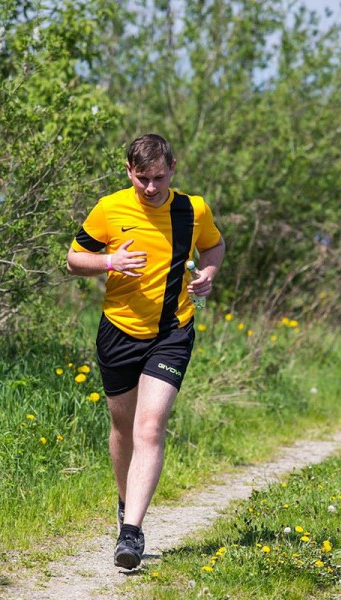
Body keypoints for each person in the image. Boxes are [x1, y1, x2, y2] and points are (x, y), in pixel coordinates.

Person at [66, 134, 225, 570]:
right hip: (119, 331)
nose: (151, 187)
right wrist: (109, 262)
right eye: (142, 179)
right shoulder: (109, 208)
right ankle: (125, 504)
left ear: (173, 168)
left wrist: (209, 272)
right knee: (123, 428)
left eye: (158, 177)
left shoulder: (194, 209)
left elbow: (214, 245)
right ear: (128, 172)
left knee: (150, 426)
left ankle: (131, 532)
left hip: (172, 331)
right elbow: (74, 260)